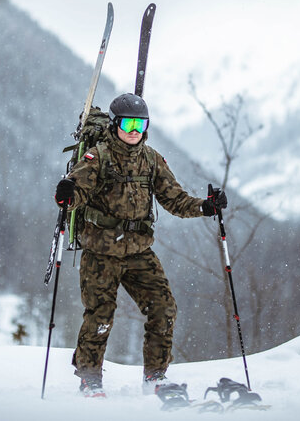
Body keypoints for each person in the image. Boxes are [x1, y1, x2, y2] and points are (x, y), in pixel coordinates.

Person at [55, 93, 227, 398]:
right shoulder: (99, 156)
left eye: (141, 123)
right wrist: (68, 194)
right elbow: (77, 190)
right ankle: (89, 378)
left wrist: (206, 207)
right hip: (101, 252)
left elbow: (175, 199)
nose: (134, 129)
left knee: (163, 308)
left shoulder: (152, 160)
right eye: (128, 122)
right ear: (115, 124)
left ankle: (155, 377)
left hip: (138, 252)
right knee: (100, 314)